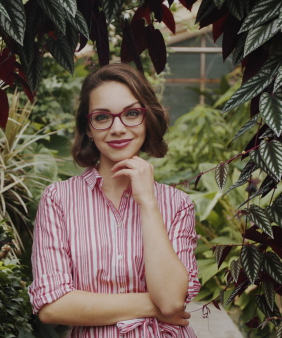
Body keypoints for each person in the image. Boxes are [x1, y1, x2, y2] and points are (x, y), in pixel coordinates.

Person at [28, 63, 200, 337]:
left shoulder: (177, 204)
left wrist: (148, 202)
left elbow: (170, 300)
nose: (118, 128)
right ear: (88, 127)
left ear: (147, 119)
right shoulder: (58, 200)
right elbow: (52, 307)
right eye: (102, 117)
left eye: (131, 113)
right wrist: (153, 305)